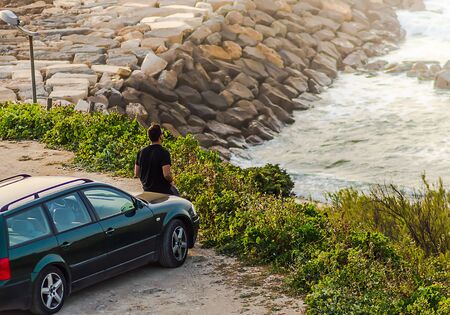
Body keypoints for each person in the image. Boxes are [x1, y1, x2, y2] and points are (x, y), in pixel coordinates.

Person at [134, 124, 179, 195]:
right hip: (163, 191)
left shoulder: (141, 152)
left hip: (147, 190)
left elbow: (136, 173)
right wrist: (172, 180)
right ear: (160, 136)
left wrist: (147, 180)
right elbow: (166, 175)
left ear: (149, 137)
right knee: (178, 196)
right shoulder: (164, 152)